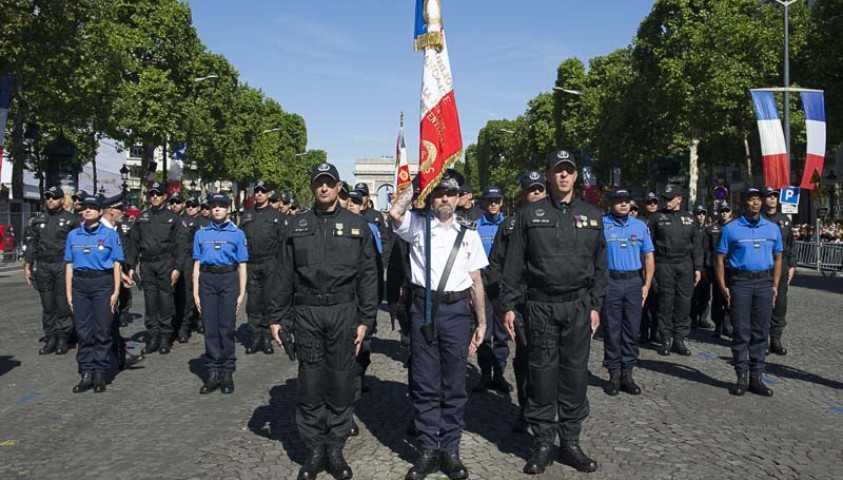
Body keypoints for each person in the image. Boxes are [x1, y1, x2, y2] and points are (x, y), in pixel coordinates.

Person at [270, 163, 378, 480]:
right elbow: (283, 274)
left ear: (338, 186)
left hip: (344, 312)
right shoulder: (297, 225)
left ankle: (335, 446)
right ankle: (315, 448)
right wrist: (276, 317)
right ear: (313, 187)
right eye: (319, 183)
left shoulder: (357, 226)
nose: (324, 189)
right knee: (311, 381)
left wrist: (366, 319)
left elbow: (369, 277)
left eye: (329, 183)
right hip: (307, 313)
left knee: (342, 380)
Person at [502, 150, 606, 474]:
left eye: (568, 171)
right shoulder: (529, 216)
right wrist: (507, 305)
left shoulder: (593, 215)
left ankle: (570, 442)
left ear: (576, 176)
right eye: (557, 170)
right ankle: (543, 441)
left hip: (578, 307)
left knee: (575, 375)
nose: (563, 176)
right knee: (542, 375)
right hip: (540, 307)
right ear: (548, 175)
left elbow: (601, 266)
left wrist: (595, 305)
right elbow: (514, 263)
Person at [389, 168, 487, 480]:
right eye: (438, 192)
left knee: (455, 385)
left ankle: (450, 450)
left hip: (457, 312)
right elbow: (394, 211)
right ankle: (428, 448)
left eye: (449, 193)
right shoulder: (417, 226)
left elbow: (476, 281)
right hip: (424, 310)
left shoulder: (469, 232)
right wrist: (418, 183)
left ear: (459, 199)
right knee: (425, 383)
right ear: (431, 197)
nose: (444, 198)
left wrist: (482, 322)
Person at [486, 170, 547, 433]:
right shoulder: (509, 225)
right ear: (522, 194)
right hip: (520, 303)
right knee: (524, 357)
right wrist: (499, 301)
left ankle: (546, 411)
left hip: (548, 302)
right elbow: (495, 264)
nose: (535, 195)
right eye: (530, 190)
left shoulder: (558, 221)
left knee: (547, 360)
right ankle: (526, 409)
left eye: (539, 190)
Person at [714, 187, 782, 397]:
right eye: (752, 200)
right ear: (744, 202)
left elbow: (779, 257)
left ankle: (757, 376)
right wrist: (723, 286)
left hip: (764, 282)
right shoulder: (731, 229)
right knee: (741, 331)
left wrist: (775, 285)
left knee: (761, 331)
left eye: (759, 200)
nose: (756, 204)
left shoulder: (772, 228)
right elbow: (719, 259)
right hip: (740, 282)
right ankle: (741, 376)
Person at [64, 195, 123, 393]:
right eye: (85, 207)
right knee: (83, 330)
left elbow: (116, 264)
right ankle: (86, 372)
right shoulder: (73, 235)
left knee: (102, 330)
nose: (87, 210)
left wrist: (115, 291)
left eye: (92, 207)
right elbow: (69, 265)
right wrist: (69, 292)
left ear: (100, 211)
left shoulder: (110, 235)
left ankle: (100, 373)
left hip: (102, 283)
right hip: (80, 284)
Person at [192, 193, 248, 395]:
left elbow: (242, 264)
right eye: (213, 205)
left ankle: (227, 372)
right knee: (210, 328)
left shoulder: (237, 234)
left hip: (228, 279)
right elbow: (197, 265)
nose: (216, 209)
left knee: (226, 327)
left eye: (221, 206)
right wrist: (196, 292)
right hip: (207, 280)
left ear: (228, 209)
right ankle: (213, 371)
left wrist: (242, 292)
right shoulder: (201, 234)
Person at [601, 189, 654, 396]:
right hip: (611, 281)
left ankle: (628, 373)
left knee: (631, 329)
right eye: (618, 201)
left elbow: (648, 256)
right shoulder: (602, 224)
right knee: (612, 330)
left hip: (633, 282)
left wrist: (647, 284)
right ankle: (614, 374)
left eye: (626, 201)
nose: (623, 205)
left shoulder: (640, 226)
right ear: (611, 203)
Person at [126, 182, 184, 355]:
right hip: (147, 264)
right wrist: (131, 266)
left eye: (158, 194)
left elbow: (181, 245)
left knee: (166, 301)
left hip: (166, 262)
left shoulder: (173, 218)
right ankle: (153, 336)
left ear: (165, 197)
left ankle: (165, 337)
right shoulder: (142, 218)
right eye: (152, 194)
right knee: (150, 301)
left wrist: (178, 268)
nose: (155, 197)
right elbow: (134, 244)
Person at [25, 186, 80, 354]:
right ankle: (51, 338)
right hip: (43, 266)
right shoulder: (38, 220)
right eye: (48, 197)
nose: (50, 200)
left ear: (62, 201)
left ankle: (63, 339)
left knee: (62, 304)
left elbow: (77, 245)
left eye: (54, 198)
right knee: (48, 305)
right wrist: (28, 265)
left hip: (62, 264)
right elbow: (32, 243)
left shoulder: (72, 220)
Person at [649, 185, 702, 356]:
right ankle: (665, 338)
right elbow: (650, 246)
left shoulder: (690, 218)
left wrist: (698, 267)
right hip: (664, 263)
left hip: (685, 264)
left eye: (670, 198)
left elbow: (697, 246)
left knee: (684, 302)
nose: (667, 201)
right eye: (665, 198)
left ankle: (679, 338)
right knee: (665, 302)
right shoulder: (657, 218)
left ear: (680, 199)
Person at [100, 194, 145, 371]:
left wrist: (124, 275)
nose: (122, 213)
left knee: (112, 320)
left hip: (112, 279)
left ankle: (120, 356)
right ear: (111, 211)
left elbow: (115, 260)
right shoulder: (103, 230)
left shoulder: (113, 228)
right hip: (100, 283)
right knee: (104, 322)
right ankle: (103, 360)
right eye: (120, 210)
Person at [239, 181, 285, 355]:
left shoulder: (277, 217)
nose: (258, 194)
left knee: (269, 301)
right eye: (256, 191)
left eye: (262, 191)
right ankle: (255, 336)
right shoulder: (247, 216)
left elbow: (283, 244)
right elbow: (240, 240)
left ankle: (267, 337)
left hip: (271, 263)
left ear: (268, 194)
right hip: (251, 263)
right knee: (253, 303)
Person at [473, 185, 510, 395]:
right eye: (489, 200)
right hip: (482, 285)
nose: (493, 204)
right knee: (484, 332)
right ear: (483, 203)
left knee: (502, 333)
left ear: (502, 202)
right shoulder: (474, 226)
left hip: (503, 285)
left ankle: (500, 373)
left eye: (497, 200)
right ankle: (485, 374)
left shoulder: (510, 225)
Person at [761, 187, 796, 355]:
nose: (772, 199)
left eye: (775, 196)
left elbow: (791, 245)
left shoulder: (785, 221)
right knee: (762, 303)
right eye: (769, 197)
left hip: (781, 268)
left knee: (780, 304)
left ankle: (776, 338)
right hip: (763, 267)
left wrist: (792, 266)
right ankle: (761, 340)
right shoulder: (757, 219)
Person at [176, 196, 209, 341]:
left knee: (190, 294)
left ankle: (187, 326)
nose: (190, 208)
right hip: (177, 260)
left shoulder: (201, 223)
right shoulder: (179, 220)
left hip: (192, 261)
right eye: (188, 205)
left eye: (193, 205)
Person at [709, 203, 733, 339]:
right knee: (717, 299)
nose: (724, 213)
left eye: (726, 211)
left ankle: (728, 324)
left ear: (730, 212)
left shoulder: (735, 228)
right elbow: (707, 249)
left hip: (731, 268)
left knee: (731, 299)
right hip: (717, 268)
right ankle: (718, 326)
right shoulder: (712, 228)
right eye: (722, 211)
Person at [639, 191, 660, 343]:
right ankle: (643, 331)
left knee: (658, 302)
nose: (652, 205)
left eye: (654, 202)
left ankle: (656, 332)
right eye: (649, 202)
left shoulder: (662, 219)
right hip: (642, 266)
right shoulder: (640, 222)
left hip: (660, 266)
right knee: (643, 302)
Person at [691, 205, 715, 330]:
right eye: (698, 213)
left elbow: (711, 249)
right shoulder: (690, 229)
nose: (700, 216)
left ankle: (703, 318)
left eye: (703, 213)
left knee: (705, 295)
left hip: (706, 267)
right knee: (693, 295)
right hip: (693, 266)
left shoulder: (709, 230)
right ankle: (692, 319)